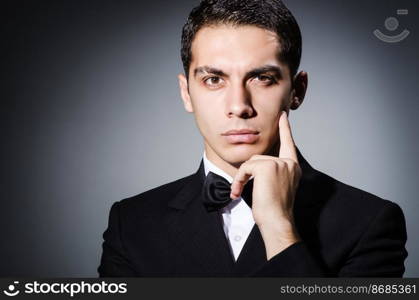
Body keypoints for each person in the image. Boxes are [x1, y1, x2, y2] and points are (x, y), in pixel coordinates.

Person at [98, 0, 408, 277]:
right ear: (186, 93)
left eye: (262, 78)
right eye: (213, 79)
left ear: (297, 91)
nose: (238, 106)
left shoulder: (369, 222)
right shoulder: (132, 223)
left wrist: (279, 228)